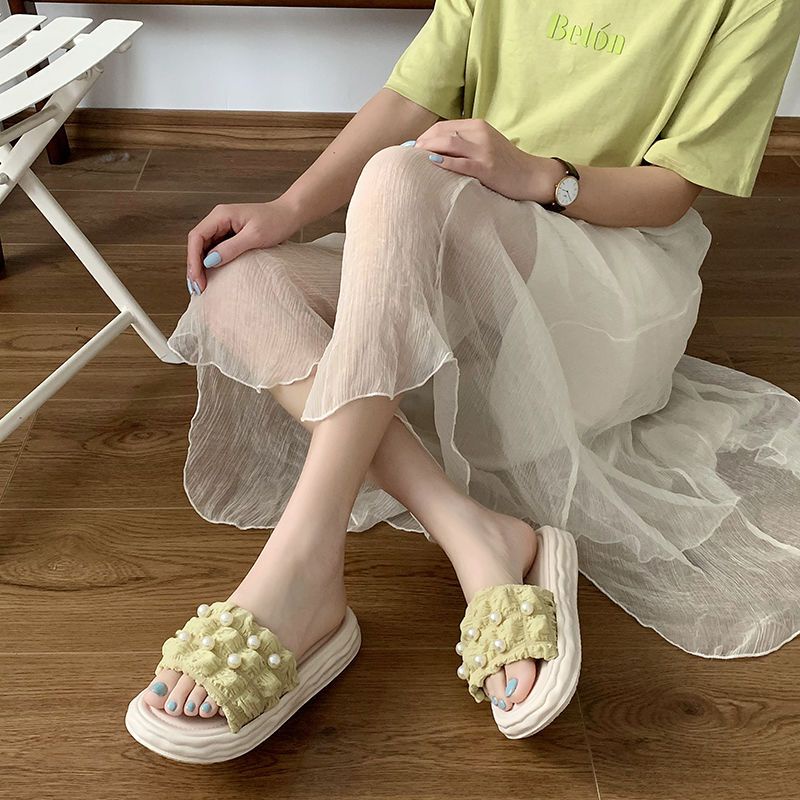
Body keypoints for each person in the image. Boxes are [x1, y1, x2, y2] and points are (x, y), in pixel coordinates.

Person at [127, 0, 800, 758]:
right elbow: (411, 97)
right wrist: (287, 209)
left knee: (402, 173)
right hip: (458, 242)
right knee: (236, 281)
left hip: (609, 276)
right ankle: (470, 528)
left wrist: (538, 175)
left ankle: (301, 565)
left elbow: (673, 188)